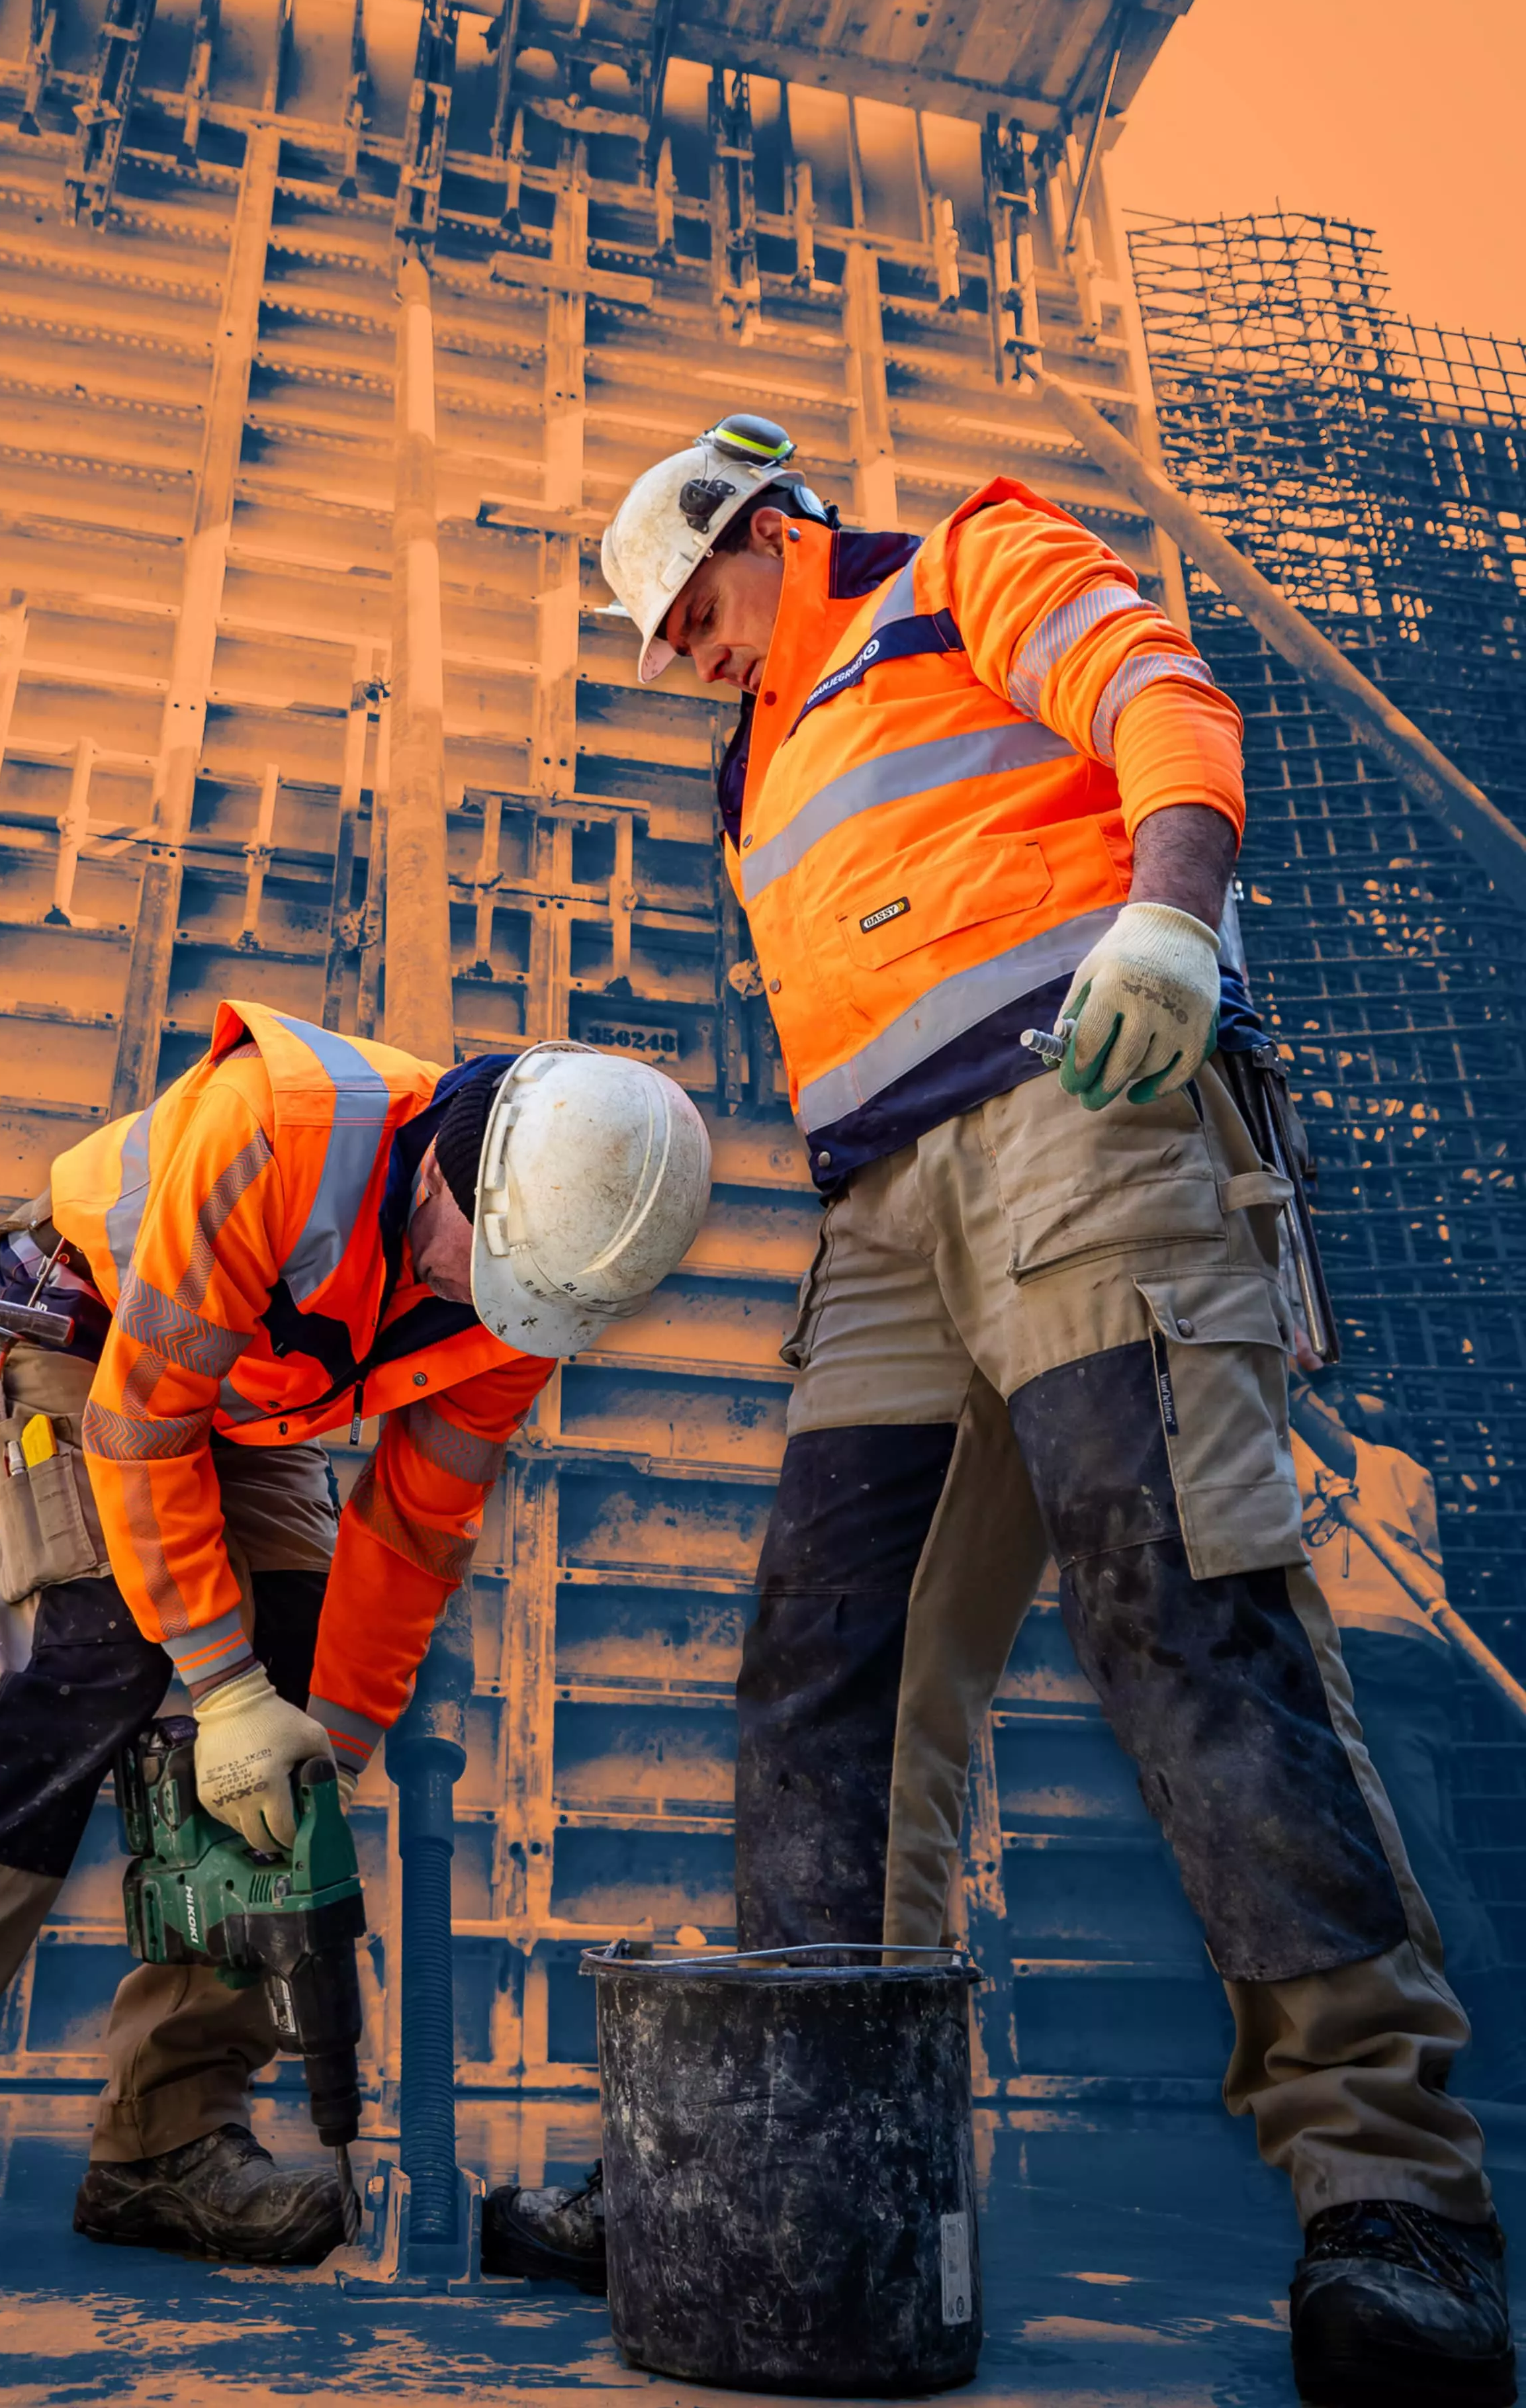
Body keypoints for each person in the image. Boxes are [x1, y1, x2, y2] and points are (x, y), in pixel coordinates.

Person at [489, 418, 1516, 2404]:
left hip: (1089, 1104)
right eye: (667, 637)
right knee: (825, 1670)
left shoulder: (960, 560)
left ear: (772, 531)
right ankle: (815, 2160)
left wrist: (1174, 911)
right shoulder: (752, 767)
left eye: (698, 607)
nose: (687, 649)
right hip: (881, 1208)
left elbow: (1156, 693)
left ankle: (1392, 2197)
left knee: (1179, 1603)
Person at [0, 1003, 710, 2294]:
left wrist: (320, 1754)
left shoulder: (539, 1288)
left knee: (282, 1738)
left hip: (247, 1410)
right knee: (88, 1661)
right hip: (93, 1352)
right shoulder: (279, 1134)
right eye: (488, 1266)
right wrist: (223, 1690)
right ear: (457, 1169)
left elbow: (415, 1528)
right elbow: (142, 1435)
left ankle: (165, 2142)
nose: (489, 1303)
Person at [1294, 1376, 1526, 2106]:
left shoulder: (1386, 1468)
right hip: (1386, 1673)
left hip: (1381, 1668)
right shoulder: (1352, 1495)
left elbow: (1304, 1418)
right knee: (1403, 1859)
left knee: (1421, 1866)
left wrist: (1288, 1366)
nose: (1340, 1410)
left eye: (1352, 1406)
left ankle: (1503, 2053)